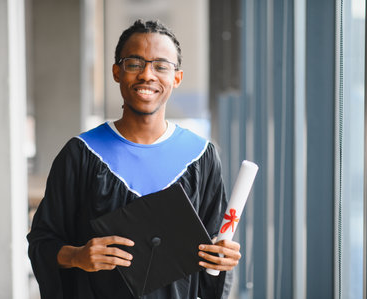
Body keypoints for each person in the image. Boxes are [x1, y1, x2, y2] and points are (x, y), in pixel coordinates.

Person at [27, 19, 241, 299]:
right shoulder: (82, 154)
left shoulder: (200, 156)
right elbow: (42, 242)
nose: (147, 75)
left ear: (176, 78)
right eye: (134, 63)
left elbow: (212, 253)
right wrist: (77, 256)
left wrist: (222, 259)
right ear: (117, 72)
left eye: (161, 66)